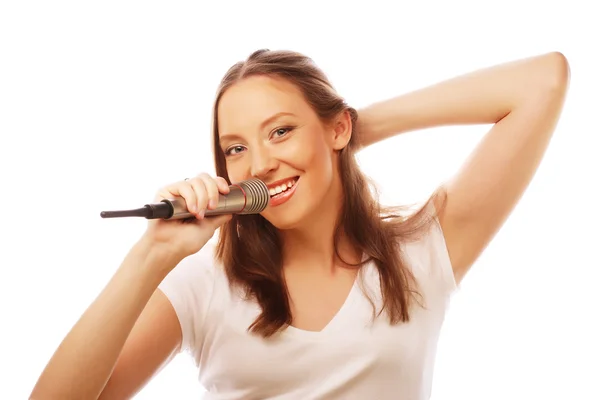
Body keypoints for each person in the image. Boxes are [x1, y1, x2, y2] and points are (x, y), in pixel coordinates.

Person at [30, 48, 570, 399]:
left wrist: (351, 130)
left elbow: (543, 81)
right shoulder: (205, 283)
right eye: (235, 148)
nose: (259, 163)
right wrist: (151, 255)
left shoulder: (419, 253)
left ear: (336, 127)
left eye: (281, 131)